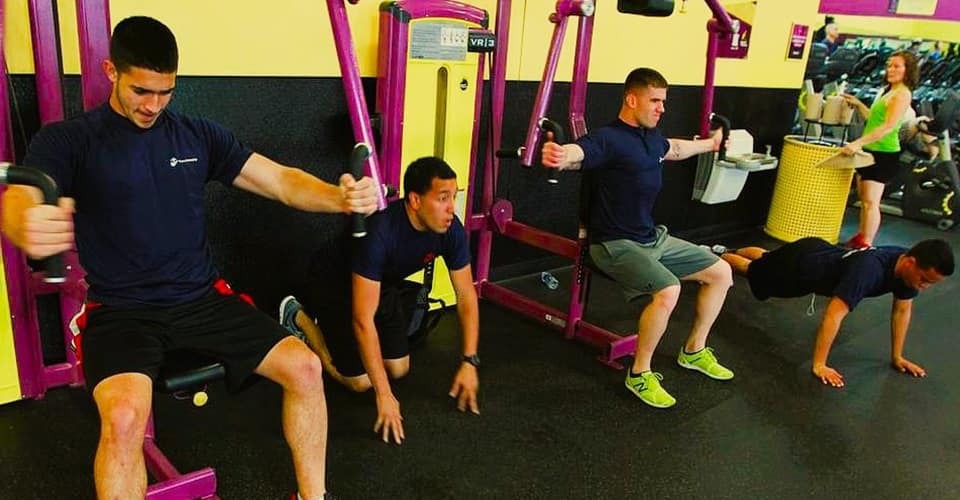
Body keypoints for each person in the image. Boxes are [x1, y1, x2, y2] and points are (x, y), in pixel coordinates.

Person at [0, 17, 378, 500]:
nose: (153, 105)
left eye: (165, 92)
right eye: (141, 90)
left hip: (201, 299)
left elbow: (279, 180)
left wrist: (339, 198)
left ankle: (313, 497)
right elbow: (22, 196)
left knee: (305, 368)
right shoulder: (71, 140)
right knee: (123, 417)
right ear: (111, 71)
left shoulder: (197, 136)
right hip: (122, 310)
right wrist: (24, 223)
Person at [540, 67, 734, 409]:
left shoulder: (651, 139)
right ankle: (639, 373)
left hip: (651, 238)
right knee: (668, 289)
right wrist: (561, 155)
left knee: (722, 272)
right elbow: (580, 153)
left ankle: (694, 351)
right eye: (655, 101)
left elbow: (673, 149)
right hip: (613, 244)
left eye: (663, 101)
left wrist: (710, 144)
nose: (662, 108)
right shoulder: (609, 138)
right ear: (632, 99)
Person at [279, 156, 479, 444]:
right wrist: (384, 396)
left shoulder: (450, 230)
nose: (452, 208)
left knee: (399, 368)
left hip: (379, 283)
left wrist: (469, 361)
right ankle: (299, 318)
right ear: (415, 200)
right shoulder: (380, 234)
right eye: (443, 198)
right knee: (361, 383)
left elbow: (466, 295)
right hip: (334, 282)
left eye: (454, 196)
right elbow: (363, 321)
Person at [716, 238, 953, 387]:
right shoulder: (869, 271)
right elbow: (833, 315)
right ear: (911, 263)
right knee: (751, 269)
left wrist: (897, 357)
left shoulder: (904, 266)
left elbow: (902, 311)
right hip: (798, 270)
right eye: (924, 280)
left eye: (931, 283)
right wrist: (819, 364)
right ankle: (715, 257)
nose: (924, 287)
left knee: (767, 258)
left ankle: (725, 248)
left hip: (815, 250)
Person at [840, 50, 919, 248]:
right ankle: (861, 237)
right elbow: (874, 121)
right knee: (863, 201)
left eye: (896, 66)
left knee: (870, 202)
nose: (890, 69)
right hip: (870, 150)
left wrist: (857, 143)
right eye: (889, 65)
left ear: (907, 70)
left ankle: (866, 244)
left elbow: (888, 126)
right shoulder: (887, 91)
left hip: (883, 153)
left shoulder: (902, 94)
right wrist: (858, 104)